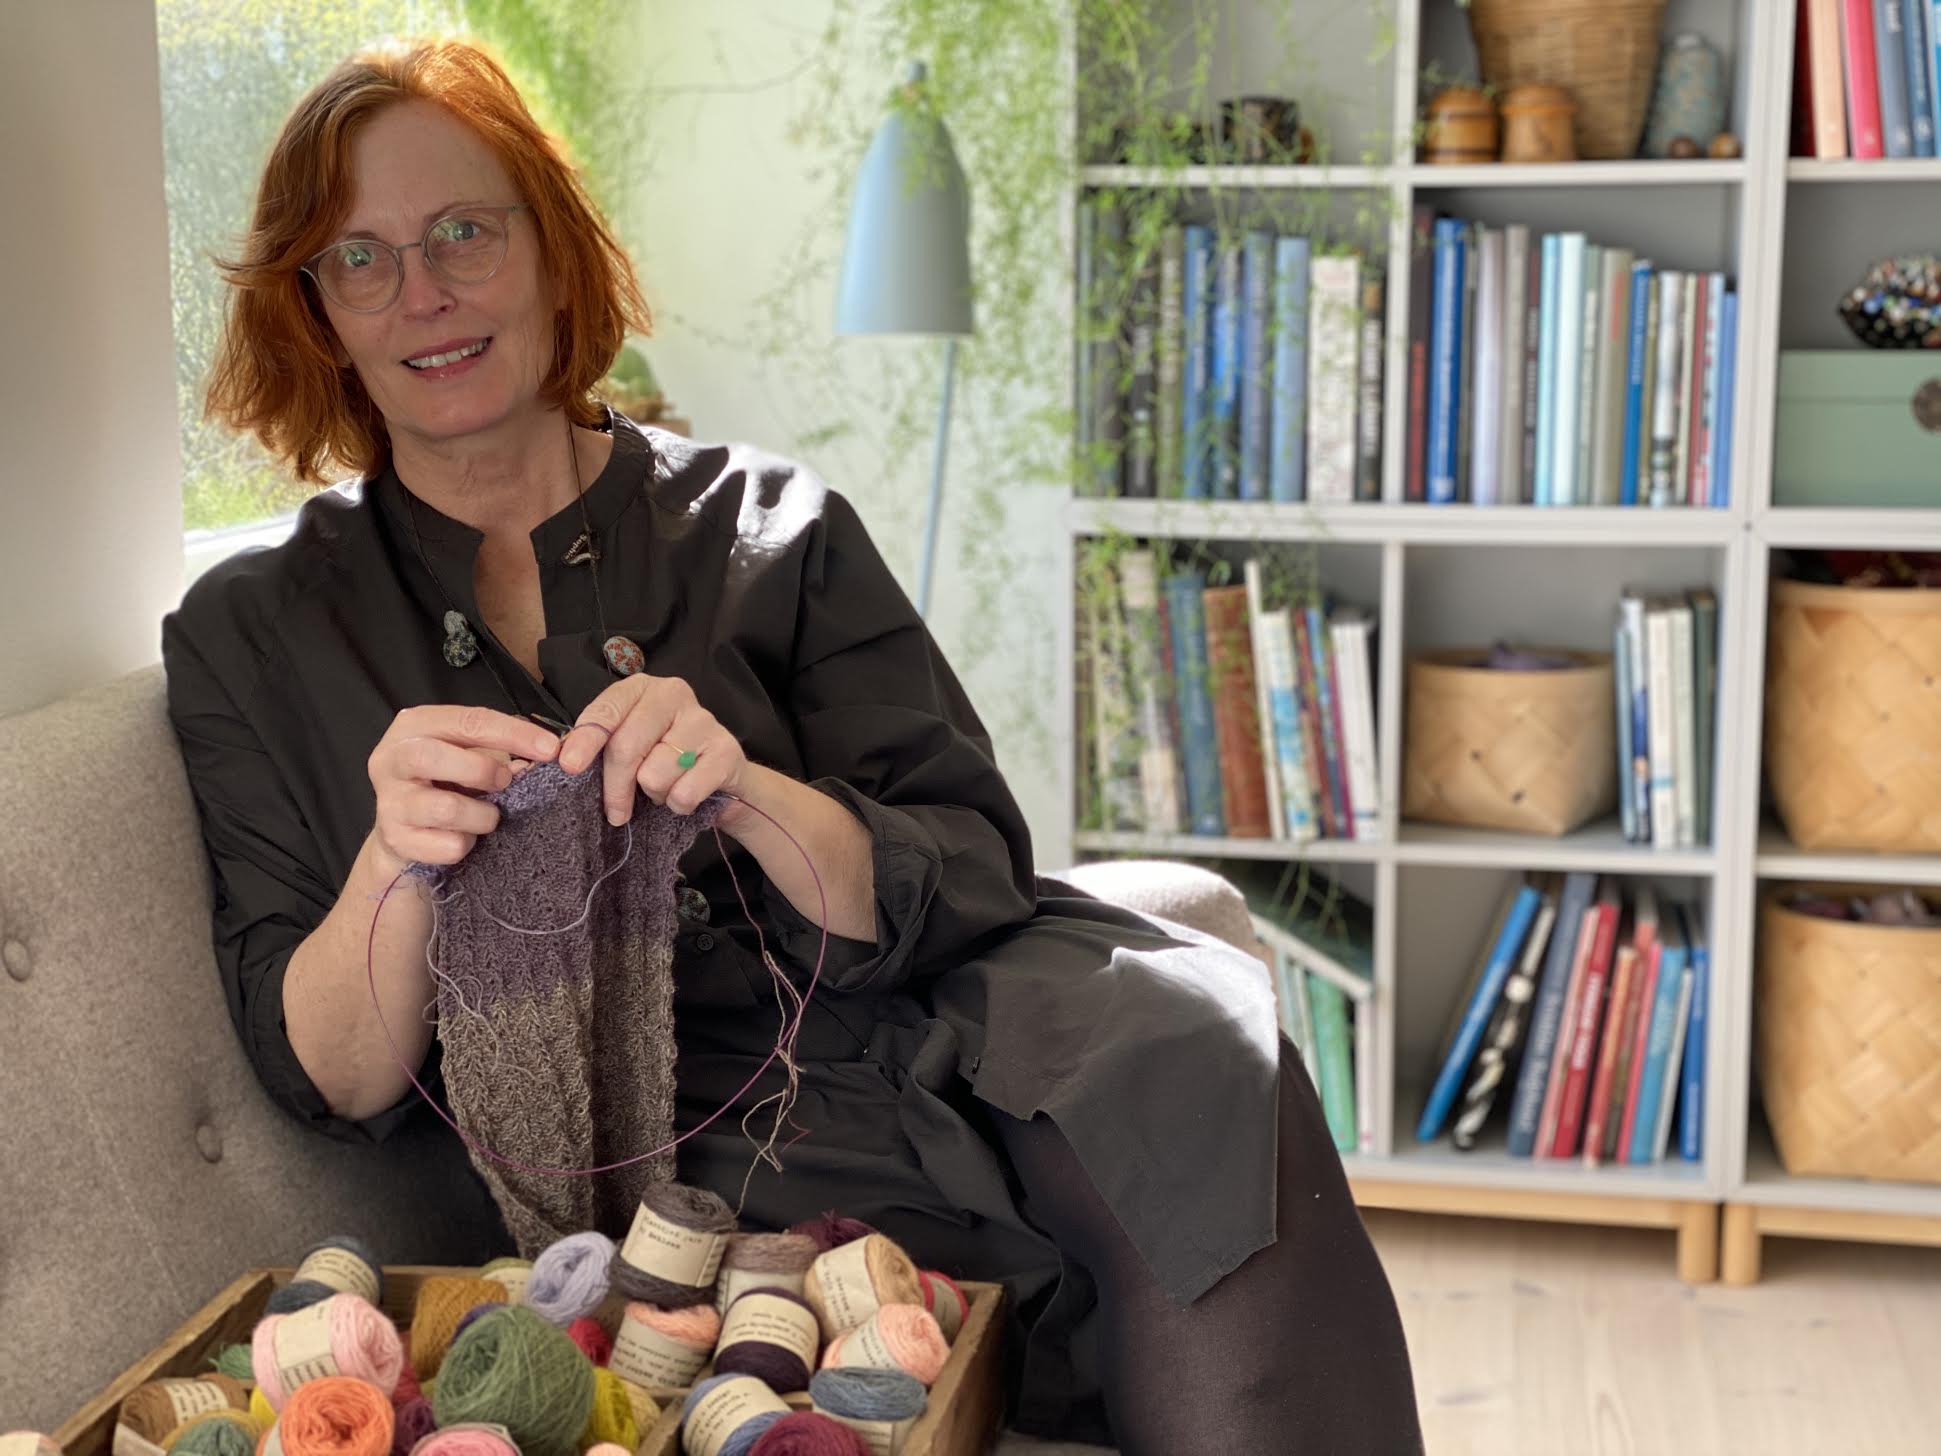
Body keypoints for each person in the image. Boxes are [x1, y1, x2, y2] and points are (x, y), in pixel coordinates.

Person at [161, 38, 1421, 1455]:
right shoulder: (251, 632)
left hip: (952, 1012)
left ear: (555, 257)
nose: (422, 292)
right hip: (679, 1132)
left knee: (1203, 1059)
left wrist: (748, 792)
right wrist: (396, 859)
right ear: (315, 312)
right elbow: (332, 1075)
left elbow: (968, 861)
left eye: (464, 231)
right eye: (359, 258)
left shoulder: (774, 523)